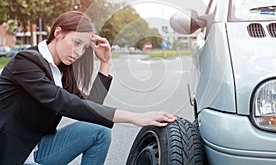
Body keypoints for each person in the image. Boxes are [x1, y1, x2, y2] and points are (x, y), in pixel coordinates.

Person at [0, 11, 176, 165]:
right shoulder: (26, 62)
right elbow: (64, 103)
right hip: (11, 154)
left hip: (38, 148)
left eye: (84, 47)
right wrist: (133, 117)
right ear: (58, 32)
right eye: (76, 42)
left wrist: (105, 63)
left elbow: (91, 111)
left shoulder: (62, 72)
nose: (78, 52)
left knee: (100, 131)